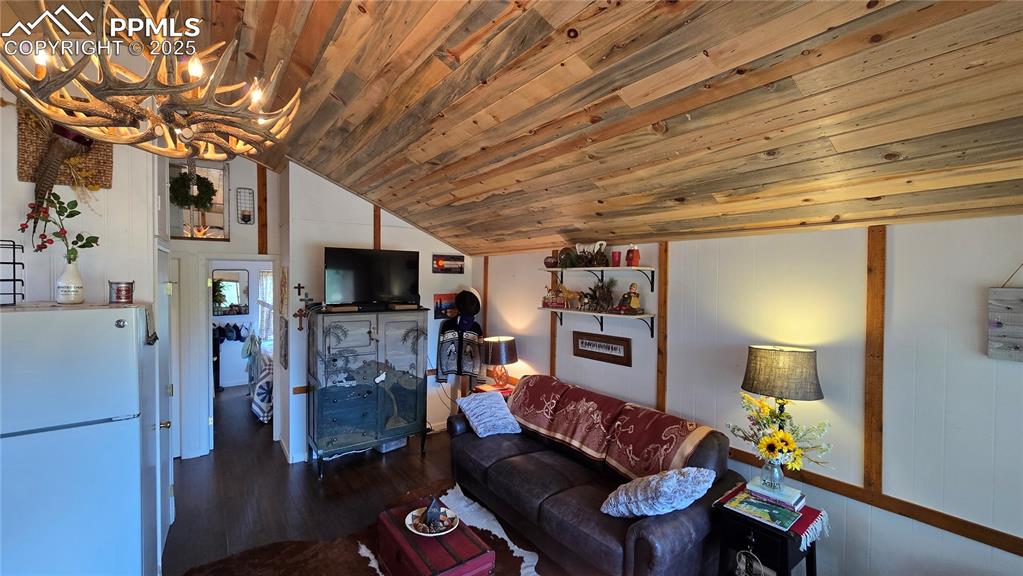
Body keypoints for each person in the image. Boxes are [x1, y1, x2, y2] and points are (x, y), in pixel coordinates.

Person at [436, 289, 484, 410]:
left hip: (471, 369)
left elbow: (481, 353)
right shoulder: (447, 325)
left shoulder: (476, 327)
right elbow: (441, 350)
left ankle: (461, 415)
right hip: (452, 365)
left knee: (470, 400)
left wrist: (481, 377)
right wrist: (442, 375)